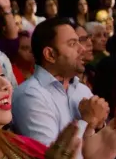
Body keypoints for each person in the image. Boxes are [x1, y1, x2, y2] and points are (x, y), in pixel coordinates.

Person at [9, 18, 93, 146]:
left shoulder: (82, 90)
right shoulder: (30, 96)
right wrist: (86, 122)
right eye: (72, 44)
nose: (82, 49)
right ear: (50, 54)